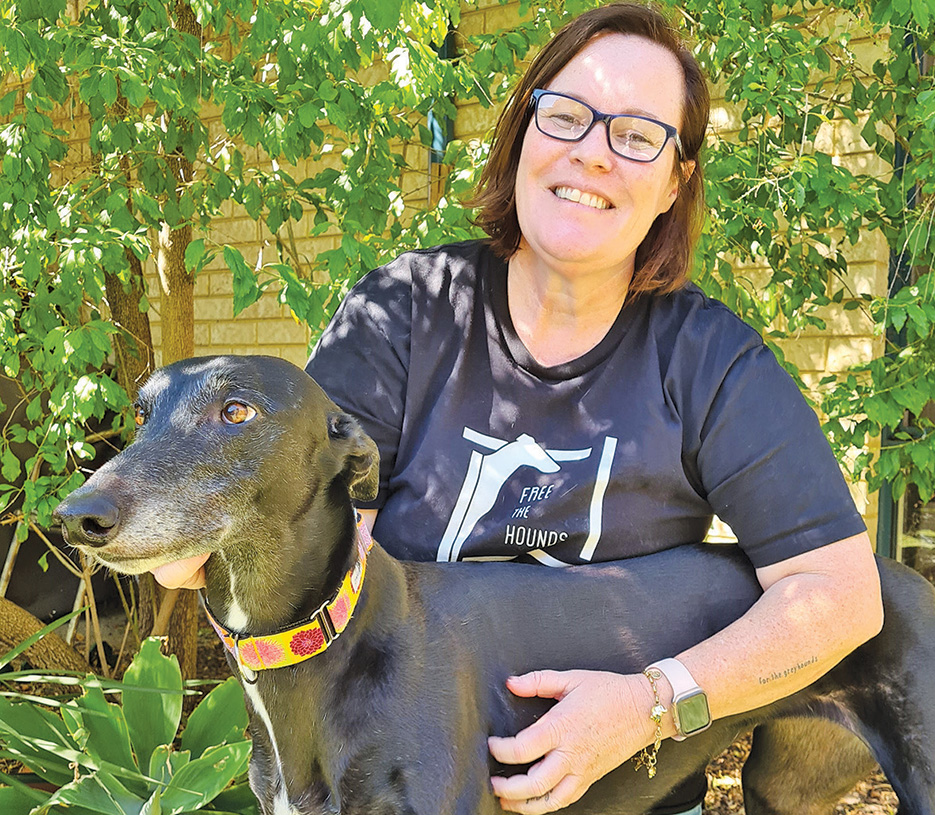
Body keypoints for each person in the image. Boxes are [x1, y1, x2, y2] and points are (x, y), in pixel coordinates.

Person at [153, 4, 884, 814]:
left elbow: (839, 593)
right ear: (521, 134)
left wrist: (649, 702)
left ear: (674, 181)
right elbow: (318, 537)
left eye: (636, 135)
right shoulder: (404, 313)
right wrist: (190, 519)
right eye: (565, 115)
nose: (592, 153)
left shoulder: (710, 361)